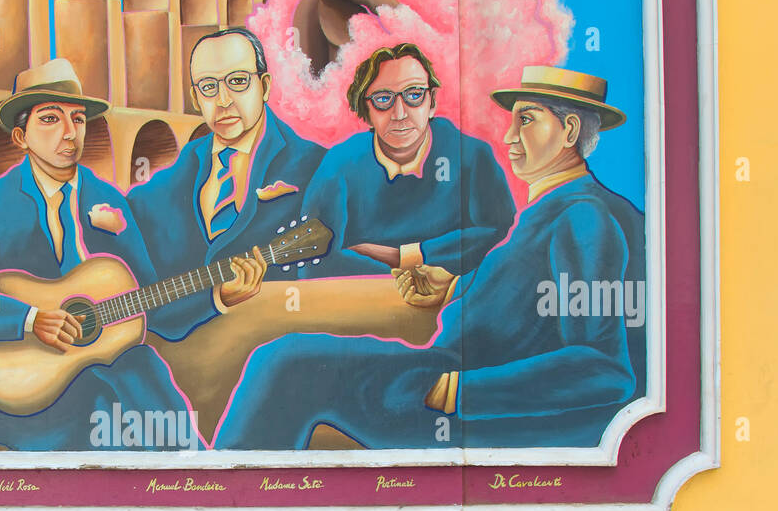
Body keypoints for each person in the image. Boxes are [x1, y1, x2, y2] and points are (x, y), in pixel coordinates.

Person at [214, 66, 646, 450]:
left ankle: (232, 507)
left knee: (287, 363)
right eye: (383, 101)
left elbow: (605, 368)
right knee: (289, 359)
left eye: (526, 121)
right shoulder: (562, 209)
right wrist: (455, 285)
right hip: (450, 377)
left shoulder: (584, 218)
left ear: (569, 131)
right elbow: (528, 301)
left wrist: (460, 390)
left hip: (466, 398)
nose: (509, 136)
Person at [0, 59, 267, 451]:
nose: (70, 133)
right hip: (1, 383)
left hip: (88, 375)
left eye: (78, 119)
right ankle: (187, 474)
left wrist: (219, 296)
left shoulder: (109, 202)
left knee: (139, 370)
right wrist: (30, 319)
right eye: (51, 119)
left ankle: (189, 471)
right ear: (20, 136)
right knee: (114, 410)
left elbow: (148, 302)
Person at [128, 27, 323, 342]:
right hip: (180, 357)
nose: (222, 100)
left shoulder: (314, 167)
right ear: (195, 98)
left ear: (264, 86)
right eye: (208, 87)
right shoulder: (175, 175)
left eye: (237, 81)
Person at [301, 42, 515, 279]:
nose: (400, 114)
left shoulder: (471, 155)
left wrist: (404, 257)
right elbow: (313, 259)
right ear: (366, 110)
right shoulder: (339, 166)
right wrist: (411, 277)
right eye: (383, 99)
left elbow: (503, 237)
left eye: (414, 95)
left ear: (431, 102)